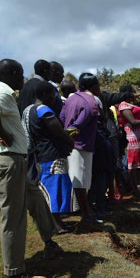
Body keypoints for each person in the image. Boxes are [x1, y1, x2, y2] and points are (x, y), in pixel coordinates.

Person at [0, 58, 46, 278]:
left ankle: (50, 240)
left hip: (13, 158)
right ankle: (14, 277)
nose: (23, 79)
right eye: (21, 74)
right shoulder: (1, 90)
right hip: (9, 159)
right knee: (14, 217)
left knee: (35, 196)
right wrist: (4, 135)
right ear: (11, 73)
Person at [25, 81, 74, 232]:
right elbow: (55, 128)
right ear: (45, 95)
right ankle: (56, 225)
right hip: (51, 154)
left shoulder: (29, 109)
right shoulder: (44, 110)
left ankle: (58, 222)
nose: (55, 98)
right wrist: (70, 140)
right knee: (55, 188)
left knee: (53, 187)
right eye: (53, 95)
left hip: (42, 154)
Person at [60, 73, 101, 223]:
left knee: (74, 177)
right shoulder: (91, 102)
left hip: (69, 143)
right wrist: (74, 129)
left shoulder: (70, 99)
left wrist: (65, 135)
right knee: (81, 180)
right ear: (93, 86)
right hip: (82, 143)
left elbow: (62, 118)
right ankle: (86, 213)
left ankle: (80, 210)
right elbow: (80, 122)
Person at [117, 86, 140, 198]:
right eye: (133, 93)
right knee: (133, 164)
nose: (135, 95)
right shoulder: (123, 105)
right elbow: (132, 121)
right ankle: (134, 189)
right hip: (133, 137)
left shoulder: (129, 104)